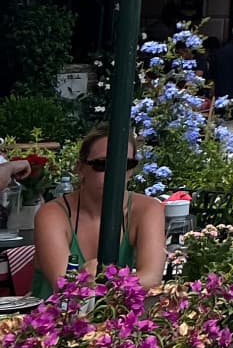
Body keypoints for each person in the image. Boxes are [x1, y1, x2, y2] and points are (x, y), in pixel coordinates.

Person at [33, 127, 166, 296]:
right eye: (102, 165)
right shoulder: (53, 214)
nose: (114, 174)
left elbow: (152, 277)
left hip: (112, 319)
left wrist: (102, 281)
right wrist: (118, 282)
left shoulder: (147, 209)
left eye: (125, 165)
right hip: (54, 318)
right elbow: (65, 286)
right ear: (81, 168)